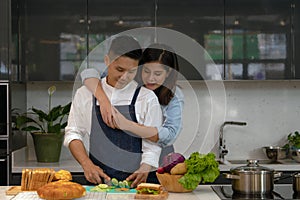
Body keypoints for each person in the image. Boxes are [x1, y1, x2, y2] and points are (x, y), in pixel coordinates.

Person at [64, 35, 163, 187]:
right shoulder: (85, 94)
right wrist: (86, 164)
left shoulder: (147, 98)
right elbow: (73, 133)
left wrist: (146, 166)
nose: (124, 77)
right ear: (107, 61)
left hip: (136, 184)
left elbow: (152, 141)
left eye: (131, 72)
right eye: (119, 69)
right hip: (99, 182)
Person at [81, 43, 184, 164]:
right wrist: (104, 101)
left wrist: (127, 125)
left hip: (161, 157)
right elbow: (89, 74)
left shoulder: (174, 95)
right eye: (146, 71)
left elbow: (169, 135)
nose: (150, 79)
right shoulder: (128, 77)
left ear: (168, 73)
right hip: (127, 157)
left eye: (157, 74)